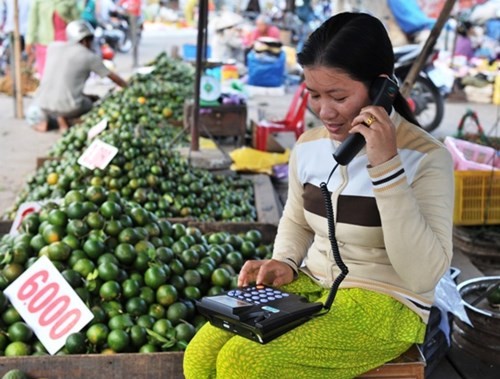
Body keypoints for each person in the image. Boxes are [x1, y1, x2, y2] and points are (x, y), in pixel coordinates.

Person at [183, 12, 454, 379]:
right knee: (198, 356)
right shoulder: (309, 147)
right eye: (314, 94)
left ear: (381, 89)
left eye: (338, 96)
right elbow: (296, 219)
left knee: (242, 364)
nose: (324, 111)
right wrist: (286, 261)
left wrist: (387, 168)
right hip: (314, 284)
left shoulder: (426, 157)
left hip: (388, 303)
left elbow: (423, 275)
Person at [30, 20, 127, 132]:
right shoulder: (89, 56)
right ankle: (71, 121)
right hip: (68, 106)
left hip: (42, 102)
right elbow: (114, 78)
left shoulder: (53, 47)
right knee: (93, 102)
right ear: (85, 40)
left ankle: (60, 121)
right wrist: (128, 86)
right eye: (90, 40)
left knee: (70, 95)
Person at [25, 0, 80, 78]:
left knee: (64, 74)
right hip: (44, 44)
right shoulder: (38, 2)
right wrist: (29, 41)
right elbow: (33, 22)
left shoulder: (70, 2)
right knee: (45, 75)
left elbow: (77, 20)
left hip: (65, 43)